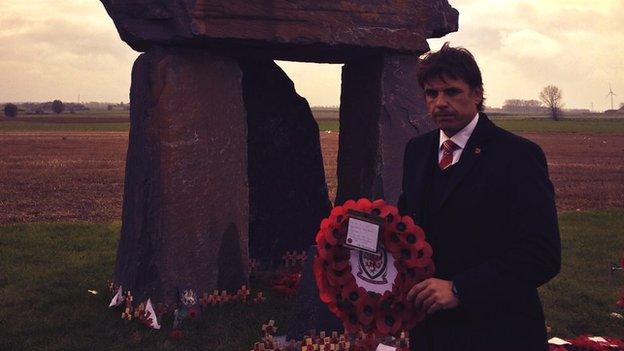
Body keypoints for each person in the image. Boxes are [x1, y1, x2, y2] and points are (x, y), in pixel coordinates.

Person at [398, 43, 561, 351]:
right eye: (431, 94)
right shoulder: (417, 150)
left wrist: (461, 289)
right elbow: (408, 228)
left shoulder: (518, 156)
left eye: (452, 92)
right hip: (430, 332)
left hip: (497, 331)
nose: (440, 102)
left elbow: (542, 254)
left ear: (477, 94)